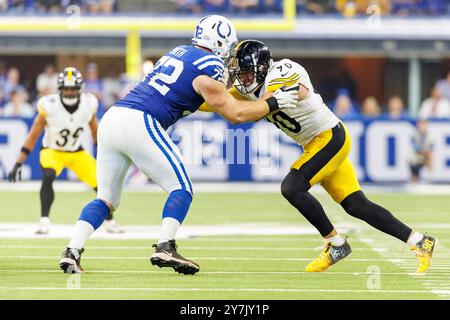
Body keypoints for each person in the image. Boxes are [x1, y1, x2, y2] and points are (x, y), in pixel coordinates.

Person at [58, 16, 298, 275]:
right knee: (182, 188)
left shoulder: (178, 51)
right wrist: (274, 102)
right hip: (141, 121)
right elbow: (235, 115)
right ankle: (165, 245)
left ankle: (72, 250)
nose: (229, 53)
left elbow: (200, 98)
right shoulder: (212, 64)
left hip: (113, 118)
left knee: (105, 198)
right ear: (219, 42)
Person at [200, 40, 437, 273]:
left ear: (261, 68)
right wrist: (184, 97)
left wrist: (272, 99)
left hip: (330, 137)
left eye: (247, 73)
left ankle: (336, 244)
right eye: (239, 74)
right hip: (315, 144)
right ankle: (420, 241)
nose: (242, 79)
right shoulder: (252, 90)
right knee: (357, 205)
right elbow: (215, 102)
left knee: (292, 187)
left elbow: (294, 92)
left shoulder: (283, 71)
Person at [7, 67, 123, 234]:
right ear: (60, 89)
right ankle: (44, 221)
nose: (69, 92)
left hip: (76, 152)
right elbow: (33, 135)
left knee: (101, 184)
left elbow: (95, 133)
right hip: (52, 150)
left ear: (79, 89)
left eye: (73, 88)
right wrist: (19, 162)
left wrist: (107, 156)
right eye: (66, 88)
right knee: (48, 175)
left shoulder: (88, 104)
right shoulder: (49, 105)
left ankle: (110, 222)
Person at [409, 118, 433, 183]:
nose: (422, 127)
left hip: (426, 155)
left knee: (430, 156)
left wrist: (424, 152)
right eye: (420, 125)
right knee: (411, 158)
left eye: (423, 125)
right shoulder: (415, 134)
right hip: (418, 155)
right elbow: (415, 148)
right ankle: (414, 178)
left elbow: (430, 149)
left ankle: (430, 178)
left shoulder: (430, 135)